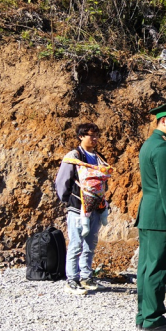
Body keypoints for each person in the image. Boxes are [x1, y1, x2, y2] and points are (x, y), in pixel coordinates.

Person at [135, 96, 166, 331]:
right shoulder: (163, 147)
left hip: (149, 213)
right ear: (164, 120)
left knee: (146, 266)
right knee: (157, 266)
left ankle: (143, 313)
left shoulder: (150, 143)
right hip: (160, 215)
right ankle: (153, 316)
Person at [55, 122, 109, 296]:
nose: (94, 138)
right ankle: (71, 279)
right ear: (81, 136)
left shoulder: (99, 157)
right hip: (78, 208)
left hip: (96, 208)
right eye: (90, 135)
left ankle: (86, 276)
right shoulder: (74, 156)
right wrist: (68, 200)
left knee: (90, 243)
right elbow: (62, 181)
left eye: (96, 135)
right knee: (76, 243)